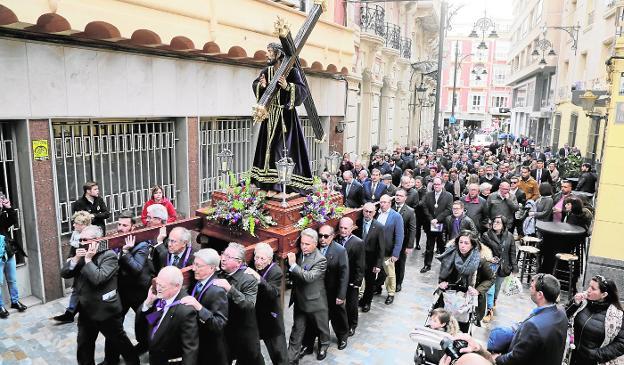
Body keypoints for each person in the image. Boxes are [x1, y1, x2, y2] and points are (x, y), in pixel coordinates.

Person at [60, 225, 140, 365]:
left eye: (86, 240)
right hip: (85, 309)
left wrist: (88, 260)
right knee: (84, 345)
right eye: (81, 239)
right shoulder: (80, 252)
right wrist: (75, 260)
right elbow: (65, 273)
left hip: (105, 311)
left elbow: (98, 278)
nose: (82, 242)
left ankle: (134, 362)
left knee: (120, 342)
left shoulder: (109, 256)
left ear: (97, 240)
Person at [251, 42, 314, 192]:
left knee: (281, 149)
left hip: (285, 118)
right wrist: (262, 86)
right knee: (268, 148)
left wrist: (287, 86)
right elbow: (255, 85)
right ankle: (267, 183)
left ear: (278, 54)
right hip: (270, 117)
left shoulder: (291, 71)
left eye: (270, 52)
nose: (267, 55)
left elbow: (302, 91)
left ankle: (281, 184)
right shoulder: (266, 71)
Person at [105, 211, 154, 362]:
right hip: (122, 292)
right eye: (119, 224)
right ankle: (110, 359)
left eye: (125, 225)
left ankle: (148, 346)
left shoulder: (142, 245)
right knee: (113, 324)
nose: (120, 228)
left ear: (133, 228)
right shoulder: (116, 241)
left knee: (148, 322)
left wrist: (126, 252)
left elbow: (137, 269)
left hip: (140, 292)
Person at [493, 274, 568, 365]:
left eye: (532, 287)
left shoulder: (533, 326)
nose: (529, 289)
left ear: (540, 294)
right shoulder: (562, 313)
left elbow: (516, 358)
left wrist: (497, 358)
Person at [214, 242, 264, 365]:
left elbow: (249, 306)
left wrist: (230, 289)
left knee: (251, 359)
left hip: (243, 331)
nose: (223, 259)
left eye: (229, 257)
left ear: (239, 262)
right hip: (225, 330)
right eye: (223, 254)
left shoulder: (248, 279)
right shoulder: (219, 274)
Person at [286, 228, 330, 363]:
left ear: (315, 244)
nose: (303, 247)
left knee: (321, 327)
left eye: (307, 244)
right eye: (302, 243)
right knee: (297, 330)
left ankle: (324, 345)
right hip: (300, 300)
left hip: (315, 301)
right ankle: (291, 359)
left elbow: (309, 277)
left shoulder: (320, 260)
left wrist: (293, 265)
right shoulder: (298, 254)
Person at [303, 225, 349, 352]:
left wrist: (341, 295)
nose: (322, 239)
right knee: (314, 318)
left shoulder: (340, 251)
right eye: (320, 236)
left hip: (332, 291)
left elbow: (344, 274)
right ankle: (309, 344)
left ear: (332, 236)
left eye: (326, 236)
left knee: (337, 315)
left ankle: (342, 337)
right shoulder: (314, 248)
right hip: (316, 292)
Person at [436, 231, 494, 332]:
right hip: (450, 297)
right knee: (445, 324)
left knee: (465, 328)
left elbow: (490, 278)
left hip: (469, 300)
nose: (462, 246)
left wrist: (478, 290)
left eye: (466, 243)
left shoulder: (480, 260)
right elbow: (443, 273)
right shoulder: (450, 255)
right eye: (461, 242)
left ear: (472, 245)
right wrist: (442, 282)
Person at [140, 266, 199, 365]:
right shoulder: (159, 296)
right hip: (154, 357)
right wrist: (147, 303)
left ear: (176, 286)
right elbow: (147, 322)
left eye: (162, 286)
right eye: (157, 283)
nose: (158, 289)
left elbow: (190, 350)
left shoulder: (186, 311)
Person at [180, 249, 228, 365]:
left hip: (211, 352)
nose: (194, 268)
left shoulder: (217, 291)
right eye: (194, 264)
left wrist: (199, 307)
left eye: (198, 266)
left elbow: (219, 324)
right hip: (196, 345)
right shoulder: (196, 281)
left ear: (211, 268)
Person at [566, 275, 624, 365]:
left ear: (604, 295)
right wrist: (574, 304)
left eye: (593, 288)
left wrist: (596, 355)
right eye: (589, 286)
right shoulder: (582, 303)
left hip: (592, 361)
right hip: (570, 356)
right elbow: (563, 317)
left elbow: (621, 343)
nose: (588, 290)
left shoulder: (617, 316)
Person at [246, 243, 288, 365]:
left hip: (271, 318)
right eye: (256, 257)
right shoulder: (252, 265)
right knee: (250, 349)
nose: (258, 261)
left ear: (269, 260)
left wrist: (260, 280)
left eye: (262, 259)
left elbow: (273, 293)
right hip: (255, 316)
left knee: (279, 354)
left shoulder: (276, 271)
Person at [53, 210, 92, 323]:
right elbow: (73, 250)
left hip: (88, 269)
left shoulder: (90, 236)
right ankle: (70, 313)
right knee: (76, 290)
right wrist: (71, 258)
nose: (73, 225)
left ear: (84, 225)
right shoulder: (76, 235)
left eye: (76, 223)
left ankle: (74, 313)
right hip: (79, 268)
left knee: (82, 292)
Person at [480, 216, 518, 323]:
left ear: (503, 225)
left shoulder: (509, 236)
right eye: (494, 221)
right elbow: (482, 250)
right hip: (491, 266)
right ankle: (489, 310)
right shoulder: (486, 235)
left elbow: (512, 252)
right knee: (490, 289)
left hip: (504, 267)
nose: (495, 224)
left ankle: (494, 301)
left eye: (498, 222)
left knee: (497, 288)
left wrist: (515, 268)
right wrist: (489, 258)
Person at [336, 217, 365, 336]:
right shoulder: (336, 240)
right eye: (341, 228)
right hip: (339, 278)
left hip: (352, 279)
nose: (343, 230)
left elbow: (360, 264)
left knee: (352, 304)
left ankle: (352, 324)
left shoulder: (358, 243)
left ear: (351, 228)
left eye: (345, 228)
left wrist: (357, 282)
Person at [357, 203, 385, 313]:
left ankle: (367, 302)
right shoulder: (358, 223)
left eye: (370, 212)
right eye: (366, 211)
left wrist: (378, 264)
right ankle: (359, 300)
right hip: (359, 259)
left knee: (370, 283)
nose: (367, 214)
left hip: (371, 259)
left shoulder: (378, 227)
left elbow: (381, 247)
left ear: (374, 213)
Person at [421, 177, 454, 273]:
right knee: (429, 246)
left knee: (442, 246)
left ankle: (444, 267)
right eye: (435, 184)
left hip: (441, 225)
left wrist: (437, 219)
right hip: (430, 224)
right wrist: (431, 219)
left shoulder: (448, 196)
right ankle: (427, 265)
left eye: (438, 184)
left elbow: (448, 209)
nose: (436, 186)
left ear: (442, 185)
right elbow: (425, 207)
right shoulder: (428, 195)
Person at [376, 194, 404, 305]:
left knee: (390, 273)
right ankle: (377, 287)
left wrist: (395, 253)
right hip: (377, 250)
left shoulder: (396, 216)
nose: (382, 204)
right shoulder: (376, 214)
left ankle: (391, 293)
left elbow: (399, 236)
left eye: (385, 202)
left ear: (390, 203)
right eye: (381, 202)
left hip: (388, 251)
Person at [392, 189, 417, 293]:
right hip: (389, 241)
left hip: (402, 242)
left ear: (405, 198)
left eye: (401, 196)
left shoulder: (410, 211)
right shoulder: (390, 208)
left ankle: (398, 283)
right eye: (397, 195)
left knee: (400, 264)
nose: (398, 197)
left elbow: (412, 229)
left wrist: (410, 246)